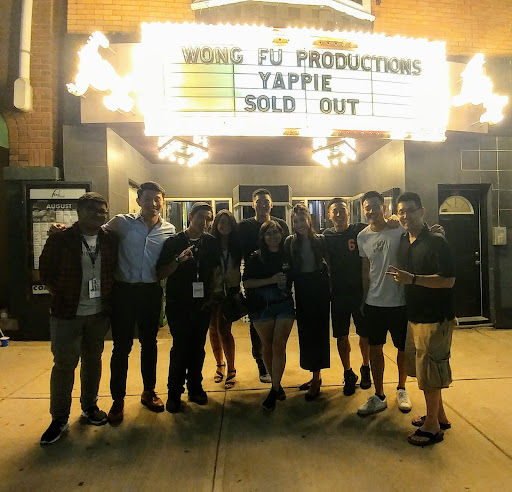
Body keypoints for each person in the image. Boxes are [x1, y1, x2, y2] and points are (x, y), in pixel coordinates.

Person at [39, 193, 118, 444]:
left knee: (93, 361)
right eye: (92, 210)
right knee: (64, 365)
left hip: (99, 313)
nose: (98, 215)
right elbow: (45, 272)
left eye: (102, 211)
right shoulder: (61, 239)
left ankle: (89, 406)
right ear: (79, 212)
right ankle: (59, 418)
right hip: (67, 314)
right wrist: (63, 295)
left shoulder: (109, 239)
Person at [387, 192, 456, 447]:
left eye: (410, 210)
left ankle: (432, 427)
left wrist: (413, 279)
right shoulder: (405, 240)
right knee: (424, 370)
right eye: (401, 211)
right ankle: (439, 416)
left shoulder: (437, 242)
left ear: (422, 211)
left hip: (435, 317)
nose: (405, 216)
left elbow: (448, 280)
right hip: (415, 315)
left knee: (431, 371)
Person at [106, 181, 175, 423]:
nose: (153, 203)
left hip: (151, 292)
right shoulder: (121, 222)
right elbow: (93, 232)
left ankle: (149, 392)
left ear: (162, 202)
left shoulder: (169, 229)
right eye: (147, 199)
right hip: (123, 292)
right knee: (121, 348)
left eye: (157, 199)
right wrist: (63, 230)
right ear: (138, 201)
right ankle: (117, 400)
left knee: (149, 344)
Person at [157, 202, 219, 413]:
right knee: (180, 348)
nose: (204, 222)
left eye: (208, 219)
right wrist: (178, 260)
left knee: (198, 348)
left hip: (202, 305)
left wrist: (210, 298)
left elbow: (214, 272)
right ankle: (174, 393)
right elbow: (160, 273)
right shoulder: (173, 242)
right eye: (201, 217)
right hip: (178, 304)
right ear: (190, 216)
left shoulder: (210, 242)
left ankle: (195, 388)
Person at [356, 190, 412, 416]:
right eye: (367, 207)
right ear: (363, 210)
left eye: (375, 206)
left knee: (402, 349)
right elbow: (365, 270)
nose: (371, 211)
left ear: (384, 207)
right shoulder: (362, 237)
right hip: (374, 302)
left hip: (400, 301)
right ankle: (379, 395)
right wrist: (364, 298)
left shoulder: (399, 228)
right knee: (375, 349)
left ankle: (402, 389)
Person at [243, 220, 295, 411]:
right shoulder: (256, 257)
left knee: (279, 345)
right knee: (267, 346)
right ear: (263, 237)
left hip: (284, 305)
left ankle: (274, 389)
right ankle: (277, 384)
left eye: (276, 232)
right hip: (261, 307)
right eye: (268, 233)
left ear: (282, 234)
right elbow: (247, 283)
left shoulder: (288, 255)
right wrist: (270, 280)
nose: (273, 236)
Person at [239, 189, 290, 383]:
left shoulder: (281, 224)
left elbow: (288, 251)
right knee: (257, 330)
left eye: (266, 201)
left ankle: (275, 369)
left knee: (278, 337)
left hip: (280, 289)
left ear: (271, 204)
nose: (262, 204)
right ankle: (261, 364)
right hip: (256, 286)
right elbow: (236, 252)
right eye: (258, 201)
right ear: (253, 204)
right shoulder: (244, 227)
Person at [323, 198, 372, 396]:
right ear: (329, 215)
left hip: (359, 292)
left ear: (348, 213)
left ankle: (366, 367)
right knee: (341, 336)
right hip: (338, 294)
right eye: (335, 211)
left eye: (342, 210)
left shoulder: (359, 230)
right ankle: (348, 372)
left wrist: (393, 220)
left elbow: (380, 227)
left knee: (364, 334)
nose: (339, 214)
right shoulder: (325, 236)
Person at [285, 204, 330, 401]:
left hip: (319, 289)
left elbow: (329, 265)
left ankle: (317, 378)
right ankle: (313, 374)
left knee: (318, 334)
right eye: (295, 221)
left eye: (302, 220)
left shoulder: (320, 240)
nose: (299, 224)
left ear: (309, 220)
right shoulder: (290, 242)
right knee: (305, 334)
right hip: (302, 288)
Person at [208, 210, 242, 389]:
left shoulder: (237, 246)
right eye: (221, 222)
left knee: (224, 330)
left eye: (228, 223)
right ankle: (219, 365)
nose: (224, 226)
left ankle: (231, 369)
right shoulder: (210, 244)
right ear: (216, 224)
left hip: (229, 293)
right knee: (213, 329)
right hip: (212, 293)